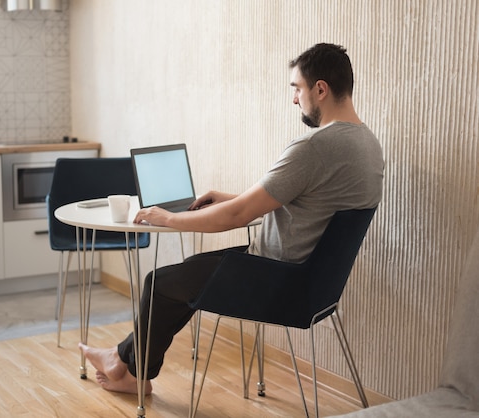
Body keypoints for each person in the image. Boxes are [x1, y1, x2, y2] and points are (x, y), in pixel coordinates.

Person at [79, 43, 384, 395]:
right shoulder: (368, 144)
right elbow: (302, 202)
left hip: (273, 278)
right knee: (179, 282)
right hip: (313, 286)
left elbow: (239, 216)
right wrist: (229, 198)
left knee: (159, 284)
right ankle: (124, 362)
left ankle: (131, 374)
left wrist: (168, 218)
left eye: (296, 89)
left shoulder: (316, 146)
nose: (295, 100)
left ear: (320, 89)